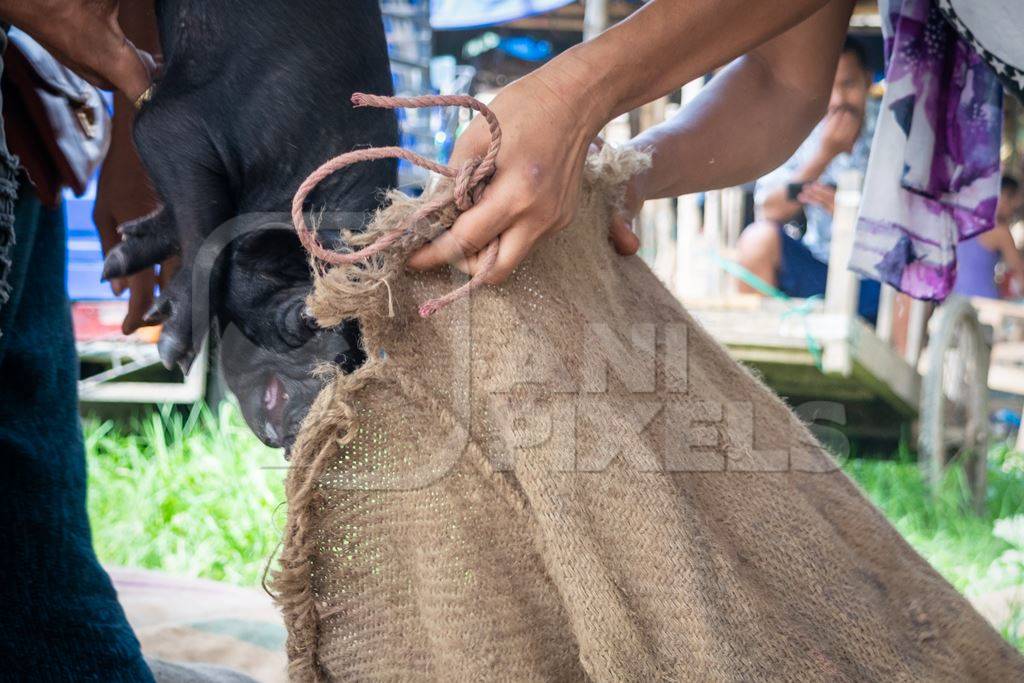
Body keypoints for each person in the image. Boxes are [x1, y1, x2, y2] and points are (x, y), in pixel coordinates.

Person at [734, 37, 880, 322]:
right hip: (816, 268)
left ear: (867, 81)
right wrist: (824, 155)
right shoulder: (804, 128)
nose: (838, 100)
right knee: (756, 239)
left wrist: (852, 219)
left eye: (848, 85)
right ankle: (758, 356)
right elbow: (769, 209)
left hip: (875, 277)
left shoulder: (892, 133)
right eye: (830, 88)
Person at [953, 175, 1024, 300]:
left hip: (956, 299)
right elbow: (1020, 273)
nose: (1013, 209)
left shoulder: (967, 220)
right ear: (1004, 197)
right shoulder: (1000, 231)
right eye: (1013, 203)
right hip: (984, 304)